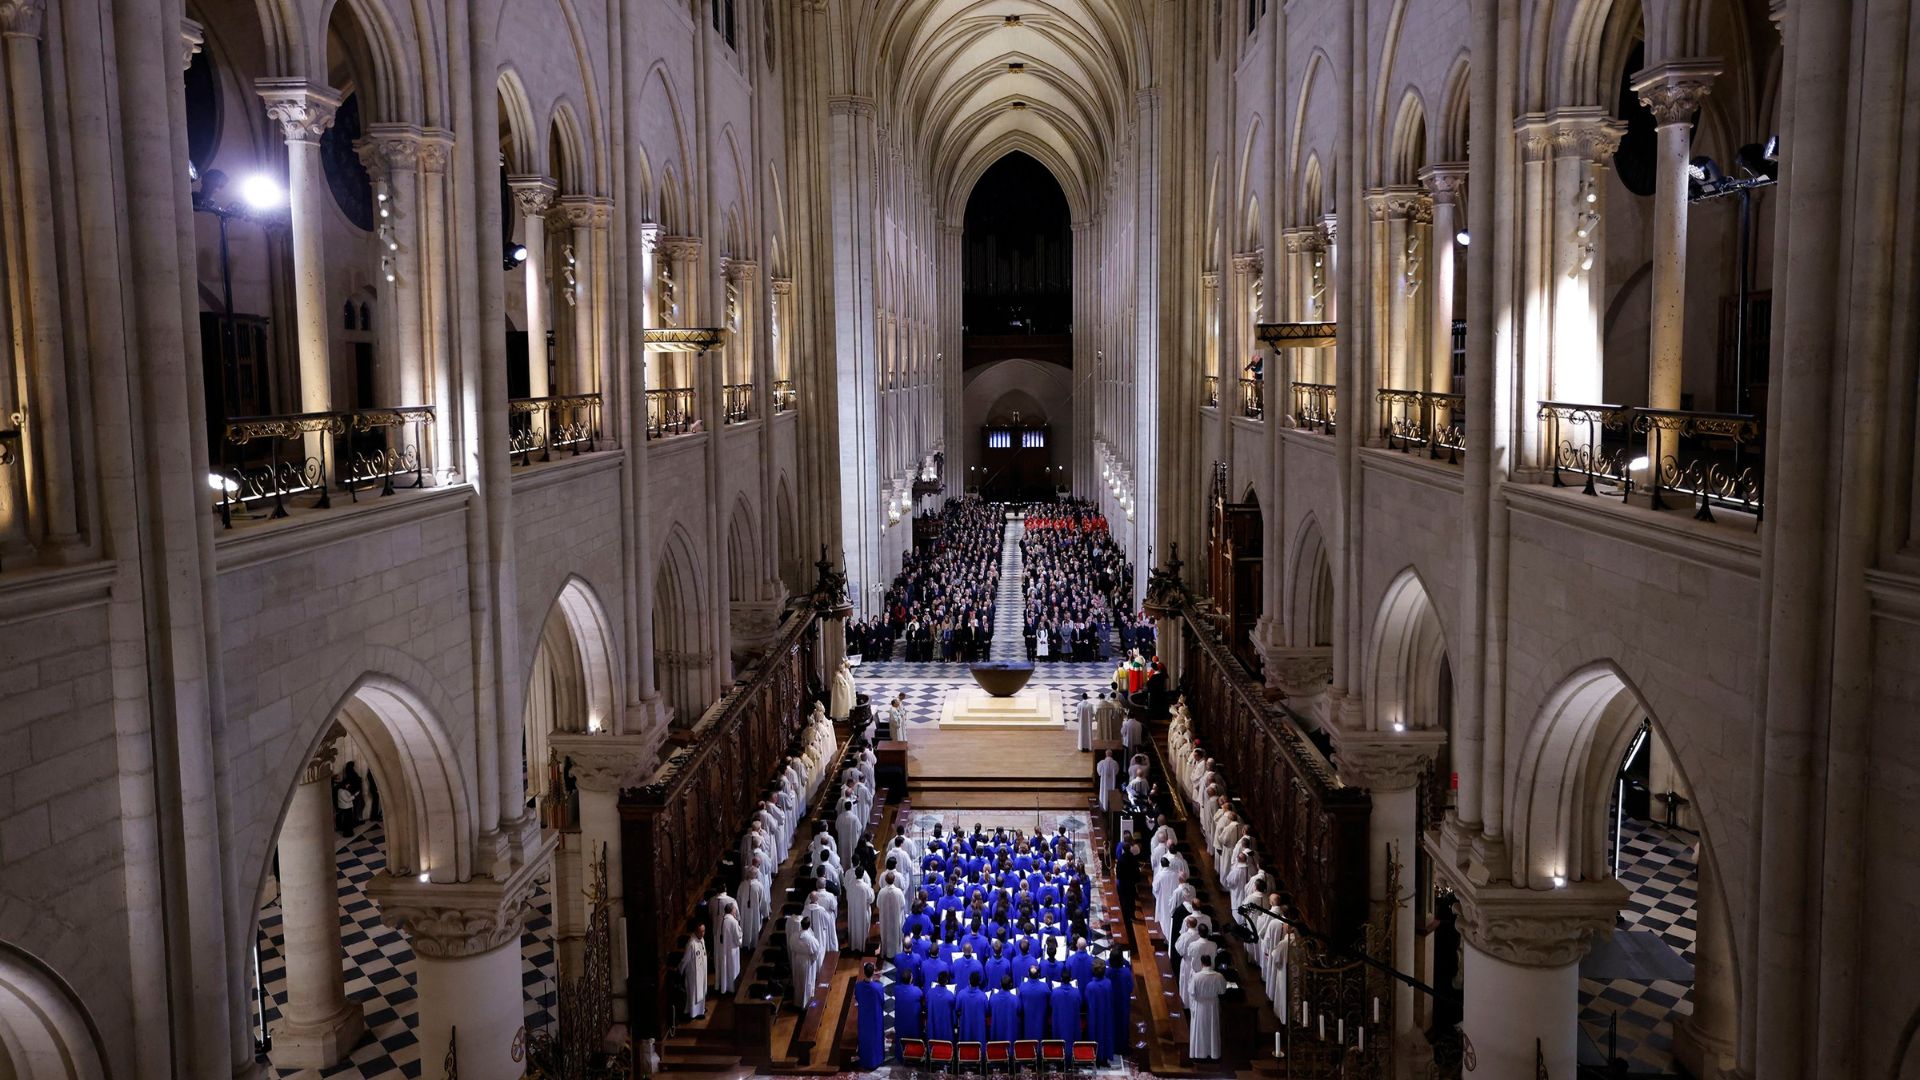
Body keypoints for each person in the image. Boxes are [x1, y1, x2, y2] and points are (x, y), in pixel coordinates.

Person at [1187, 954, 1226, 1060]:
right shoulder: (1218, 976)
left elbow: (1191, 991)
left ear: (1201, 963)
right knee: (1212, 1029)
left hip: (1200, 1007)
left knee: (1200, 1030)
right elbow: (1222, 990)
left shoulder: (1196, 977)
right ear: (1211, 962)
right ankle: (1213, 1053)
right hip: (1213, 1006)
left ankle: (1200, 1053)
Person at [855, 964, 887, 1069]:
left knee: (865, 1037)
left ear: (864, 972)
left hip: (864, 1016)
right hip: (875, 1016)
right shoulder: (878, 987)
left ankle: (864, 1060)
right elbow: (882, 1001)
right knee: (876, 1037)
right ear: (873, 972)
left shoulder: (858, 986)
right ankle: (877, 1060)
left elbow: (858, 998)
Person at [789, 914, 823, 1009]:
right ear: (809, 925)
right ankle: (806, 1003)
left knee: (799, 981)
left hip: (797, 959)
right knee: (807, 981)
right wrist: (813, 959)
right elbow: (816, 950)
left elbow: (791, 946)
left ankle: (798, 1002)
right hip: (807, 961)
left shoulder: (794, 936)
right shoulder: (810, 939)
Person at [1084, 959, 1114, 1063]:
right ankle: (1104, 1057)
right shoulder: (1108, 983)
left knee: (1094, 1033)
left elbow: (1087, 999)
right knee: (1105, 1034)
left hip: (1094, 1014)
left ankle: (1094, 1056)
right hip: (1105, 1012)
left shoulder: (1090, 986)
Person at [892, 971, 925, 1059]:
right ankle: (916, 1055)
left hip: (900, 1020)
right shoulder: (917, 991)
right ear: (911, 979)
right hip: (913, 1023)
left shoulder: (896, 989)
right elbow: (922, 999)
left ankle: (901, 1054)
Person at [680, 924, 708, 1020]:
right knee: (694, 993)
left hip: (702, 972)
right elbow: (685, 959)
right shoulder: (691, 944)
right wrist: (680, 970)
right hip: (693, 974)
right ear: (696, 931)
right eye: (701, 931)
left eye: (704, 931)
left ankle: (701, 1010)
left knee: (702, 991)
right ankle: (693, 1013)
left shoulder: (701, 940)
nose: (703, 933)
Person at [844, 869, 873, 955]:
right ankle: (862, 946)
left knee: (854, 927)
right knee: (863, 927)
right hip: (863, 911)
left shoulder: (850, 886)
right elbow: (870, 899)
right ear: (863, 874)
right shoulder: (866, 887)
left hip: (853, 911)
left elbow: (847, 898)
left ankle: (854, 946)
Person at [1017, 965, 1050, 1039]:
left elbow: (1019, 1005)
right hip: (1041, 1019)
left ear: (1028, 974)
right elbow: (1049, 1000)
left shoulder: (1022, 986)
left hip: (1027, 1019)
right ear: (1038, 975)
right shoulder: (1044, 986)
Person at [716, 901, 742, 994]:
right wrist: (740, 941)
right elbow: (737, 937)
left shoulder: (721, 920)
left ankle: (724, 987)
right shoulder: (733, 921)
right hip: (732, 950)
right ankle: (732, 988)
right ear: (731, 910)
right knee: (732, 969)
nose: (735, 911)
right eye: (735, 909)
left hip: (722, 949)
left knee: (725, 968)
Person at [958, 971, 989, 1044]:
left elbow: (957, 1008)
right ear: (979, 982)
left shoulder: (961, 994)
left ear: (969, 980)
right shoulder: (983, 996)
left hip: (966, 1026)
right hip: (979, 1028)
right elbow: (987, 1011)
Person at [1048, 975, 1082, 1042]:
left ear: (1061, 979)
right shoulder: (1076, 992)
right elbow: (1079, 1004)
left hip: (1059, 1020)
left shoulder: (1055, 992)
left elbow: (1051, 1004)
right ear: (1070, 979)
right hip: (1072, 1022)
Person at [926, 971, 957, 1043]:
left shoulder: (930, 992)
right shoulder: (950, 995)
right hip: (945, 1027)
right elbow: (953, 1008)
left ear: (937, 979)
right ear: (946, 981)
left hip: (933, 1025)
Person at [1097, 750, 1120, 815]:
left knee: (1104, 793)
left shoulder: (1101, 763)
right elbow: (1116, 772)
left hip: (1104, 782)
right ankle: (1111, 809)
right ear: (1111, 755)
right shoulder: (1115, 763)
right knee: (1111, 792)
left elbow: (1099, 772)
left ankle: (1103, 807)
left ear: (1106, 754)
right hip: (1112, 781)